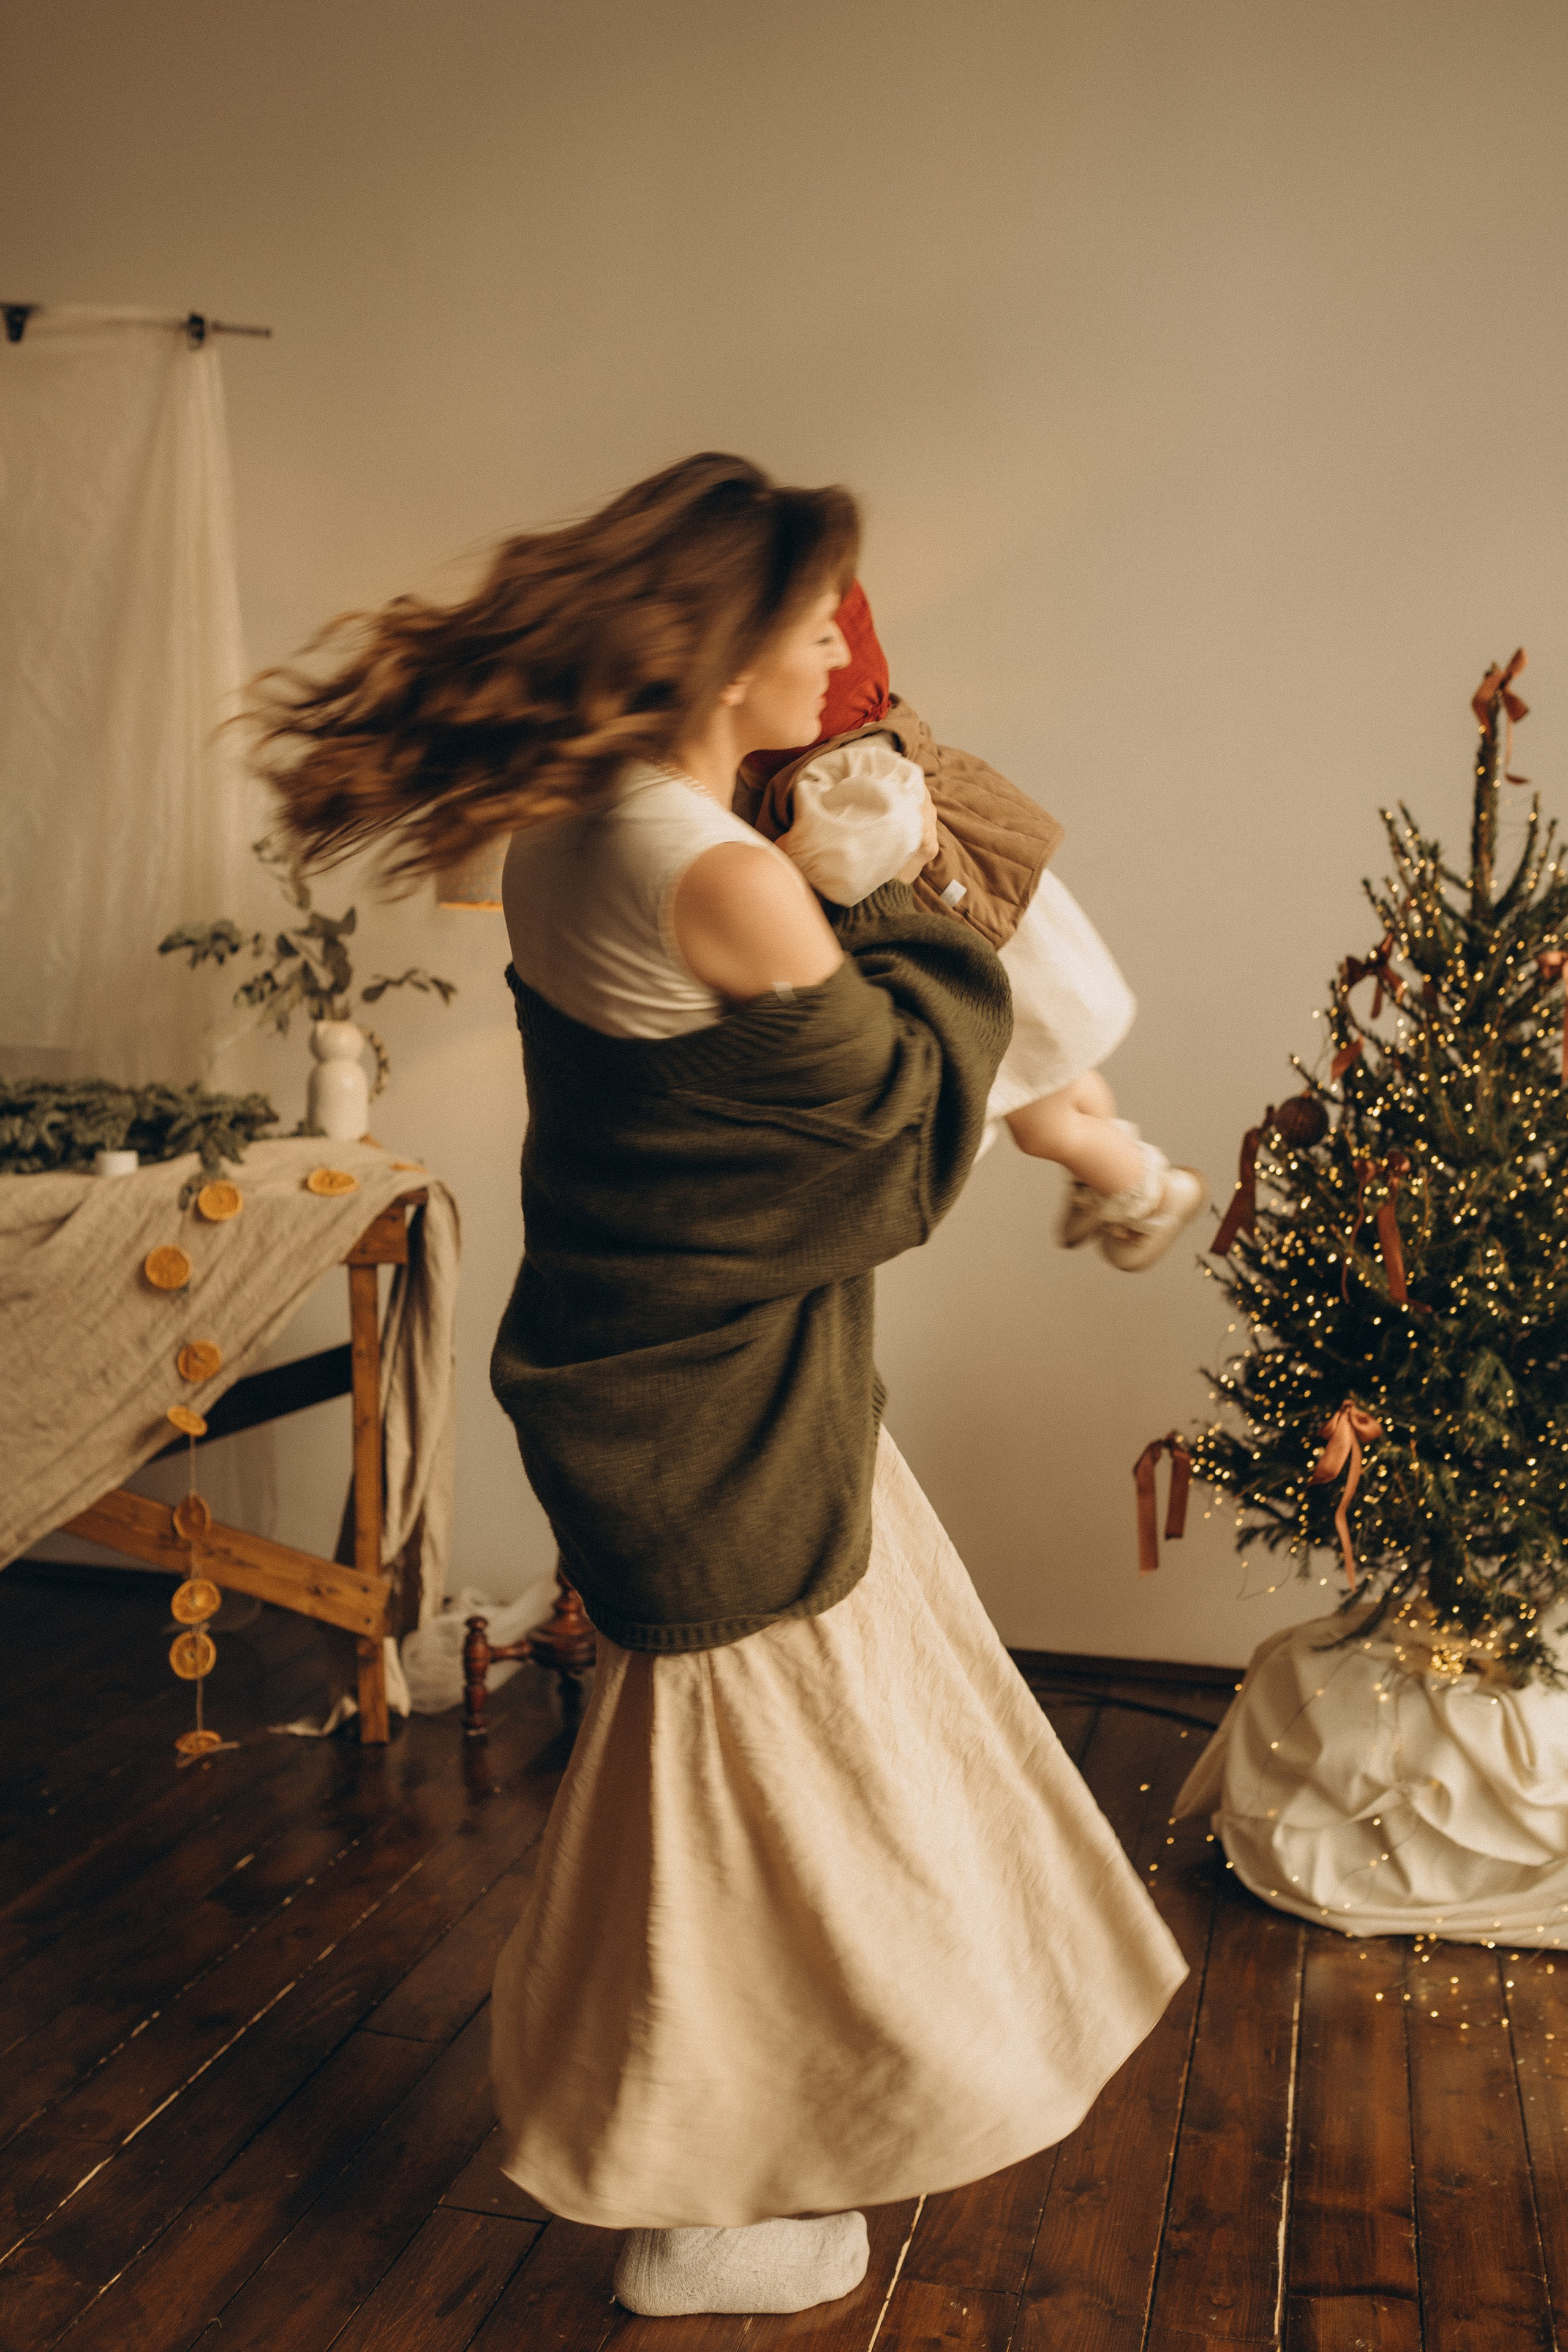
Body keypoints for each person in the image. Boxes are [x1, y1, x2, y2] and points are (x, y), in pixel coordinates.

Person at [257, 453, 1185, 2321]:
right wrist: (890, 891)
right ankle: (694, 2199)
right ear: (731, 648)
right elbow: (892, 1134)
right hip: (716, 1403)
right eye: (815, 614)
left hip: (671, 1370)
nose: (842, 643)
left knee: (791, 1763)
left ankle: (706, 2131)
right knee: (751, 1797)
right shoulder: (722, 875)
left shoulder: (580, 825)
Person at [741, 581, 1207, 1270]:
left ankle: (1148, 1193)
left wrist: (763, 869)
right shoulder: (852, 738)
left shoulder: (835, 767)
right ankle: (1110, 1164)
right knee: (1064, 1078)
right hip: (993, 925)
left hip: (977, 945)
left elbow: (842, 866)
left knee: (1043, 1126)